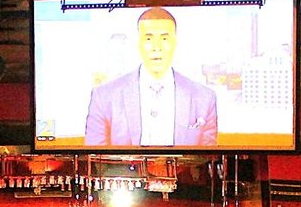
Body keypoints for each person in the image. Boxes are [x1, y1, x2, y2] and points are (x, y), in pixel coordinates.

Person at [84, 8, 218, 148]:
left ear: (175, 42)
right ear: (138, 43)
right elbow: (95, 157)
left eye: (164, 39)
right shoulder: (104, 97)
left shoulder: (204, 98)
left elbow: (207, 158)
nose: (156, 47)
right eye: (148, 39)